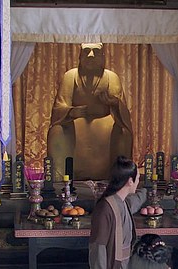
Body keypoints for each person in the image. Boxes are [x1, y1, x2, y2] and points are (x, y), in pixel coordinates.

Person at [47, 43, 134, 180]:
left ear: (103, 57)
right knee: (57, 131)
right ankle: (62, 180)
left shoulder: (111, 77)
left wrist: (114, 103)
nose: (91, 55)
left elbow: (122, 111)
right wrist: (73, 112)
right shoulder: (71, 76)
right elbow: (59, 106)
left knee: (123, 132)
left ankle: (119, 179)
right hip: (75, 125)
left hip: (105, 125)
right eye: (87, 51)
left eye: (96, 52)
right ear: (80, 56)